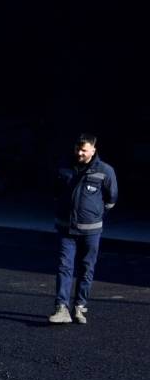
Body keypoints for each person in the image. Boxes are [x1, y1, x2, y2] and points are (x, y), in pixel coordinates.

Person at [49, 134, 117, 324]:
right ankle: (61, 308)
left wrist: (96, 214)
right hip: (66, 229)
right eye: (77, 149)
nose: (79, 153)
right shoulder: (64, 168)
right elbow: (55, 192)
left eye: (84, 150)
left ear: (93, 150)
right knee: (64, 267)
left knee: (86, 268)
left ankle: (79, 307)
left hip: (91, 231)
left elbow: (111, 199)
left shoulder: (105, 171)